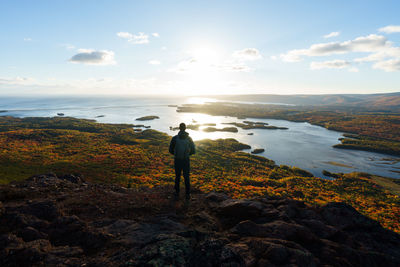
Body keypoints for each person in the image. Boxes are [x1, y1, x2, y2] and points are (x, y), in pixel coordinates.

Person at [169, 123, 195, 200]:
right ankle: (187, 194)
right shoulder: (189, 138)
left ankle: (177, 192)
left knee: (177, 176)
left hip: (177, 160)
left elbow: (170, 150)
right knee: (186, 176)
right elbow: (193, 151)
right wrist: (186, 154)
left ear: (179, 128)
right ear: (185, 128)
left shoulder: (175, 138)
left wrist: (176, 155)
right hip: (186, 160)